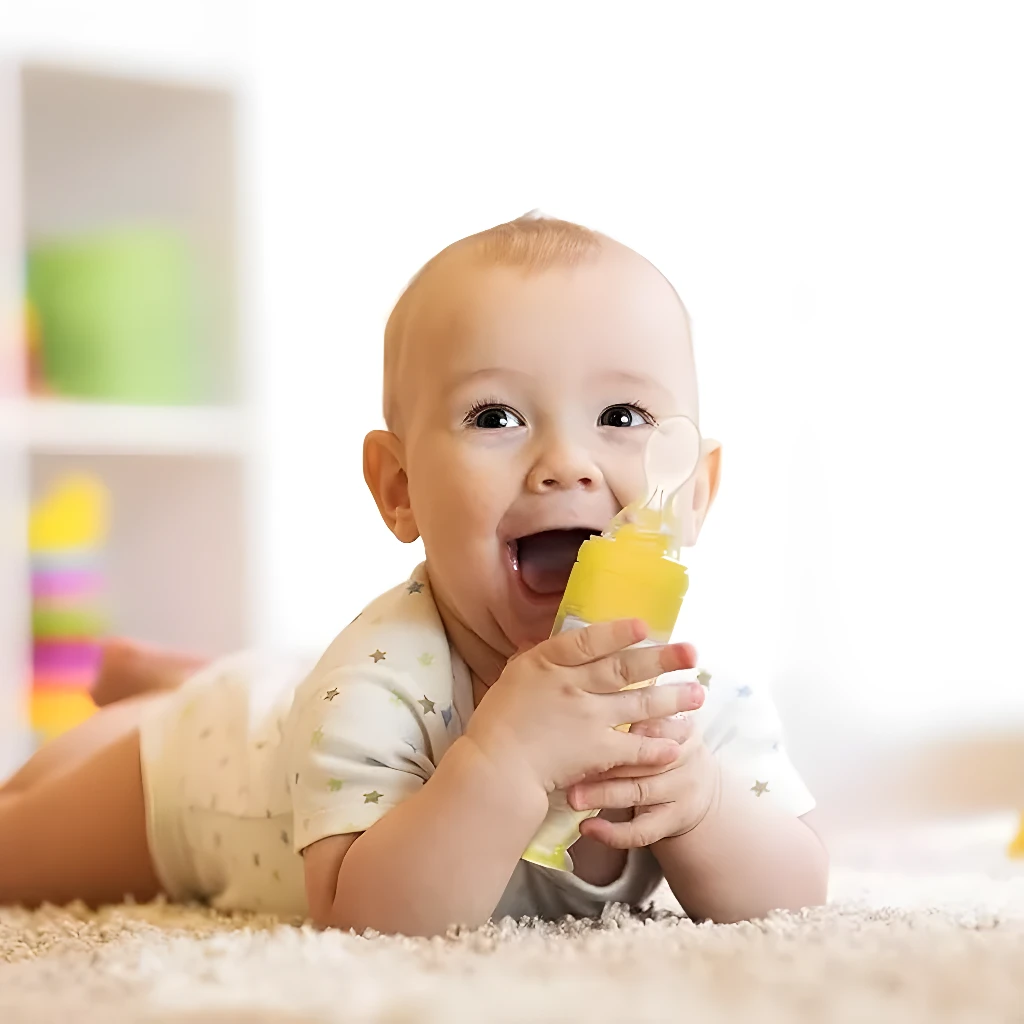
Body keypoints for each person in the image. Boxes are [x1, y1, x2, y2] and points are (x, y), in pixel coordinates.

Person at [0, 215, 827, 935]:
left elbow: (795, 895)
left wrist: (705, 804)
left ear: (697, 491)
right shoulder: (379, 681)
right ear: (399, 488)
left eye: (622, 416)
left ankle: (193, 675)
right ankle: (187, 695)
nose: (567, 461)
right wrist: (503, 761)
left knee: (292, 696)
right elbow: (364, 917)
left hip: (300, 714)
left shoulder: (693, 701)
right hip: (207, 772)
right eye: (496, 417)